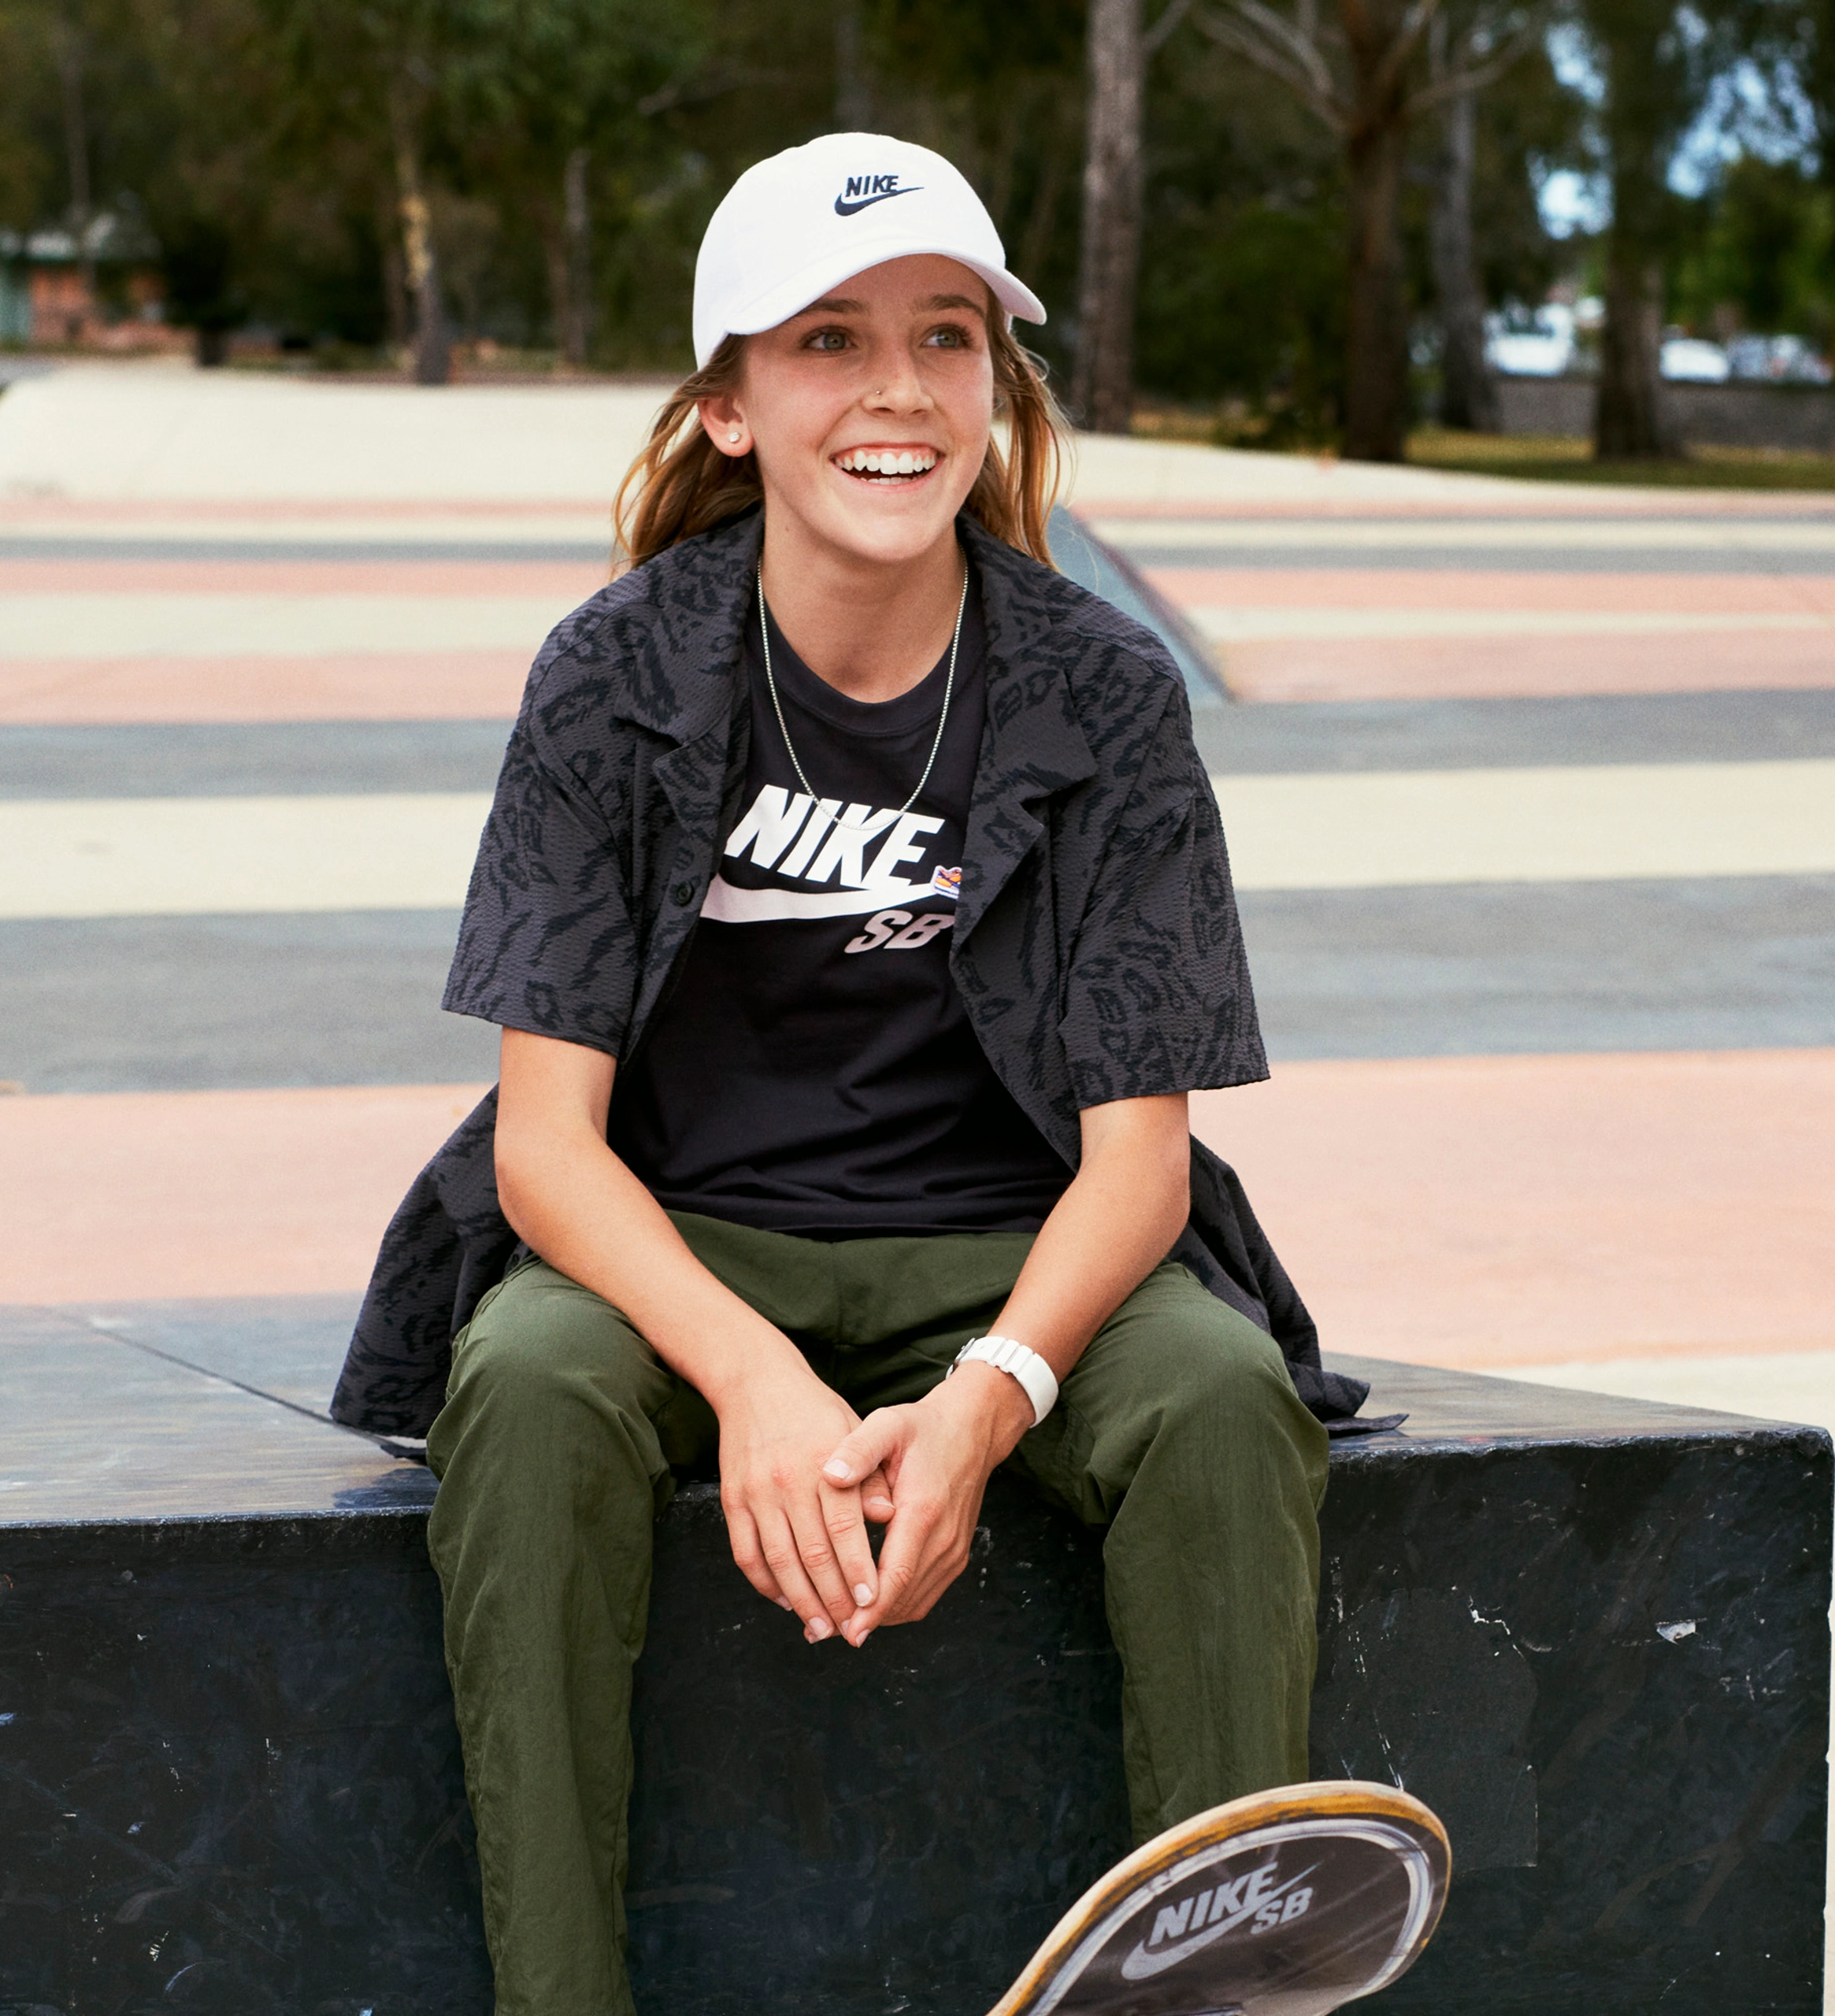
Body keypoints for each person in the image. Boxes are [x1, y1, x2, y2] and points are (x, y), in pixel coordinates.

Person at [327, 132, 1368, 2016]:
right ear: (728, 403)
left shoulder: (1103, 691)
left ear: (999, 385)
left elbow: (1140, 1161)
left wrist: (988, 1398)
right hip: (682, 1249)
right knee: (535, 1385)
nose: (897, 390)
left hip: (1012, 1245)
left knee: (1220, 1397)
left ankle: (1210, 1991)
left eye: (947, 337)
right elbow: (548, 1146)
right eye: (828, 340)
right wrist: (751, 1374)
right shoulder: (614, 676)